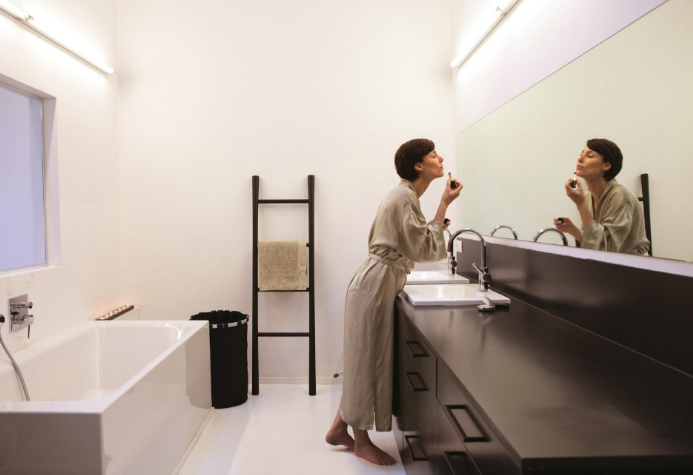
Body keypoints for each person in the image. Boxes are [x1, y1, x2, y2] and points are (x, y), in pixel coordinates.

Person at [325, 139, 462, 465]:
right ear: (419, 165)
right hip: (375, 285)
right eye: (433, 155)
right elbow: (423, 248)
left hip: (375, 282)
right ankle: (361, 442)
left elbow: (415, 239)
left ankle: (339, 430)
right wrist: (444, 205)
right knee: (366, 361)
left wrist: (440, 210)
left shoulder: (406, 196)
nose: (440, 158)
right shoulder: (404, 197)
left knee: (363, 358)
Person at [554, 138, 649, 255]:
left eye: (590, 156)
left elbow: (608, 249)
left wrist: (581, 204)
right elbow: (595, 243)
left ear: (606, 165)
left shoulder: (620, 195)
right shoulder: (588, 197)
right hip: (606, 263)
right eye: (581, 154)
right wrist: (572, 230)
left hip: (632, 264)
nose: (580, 159)